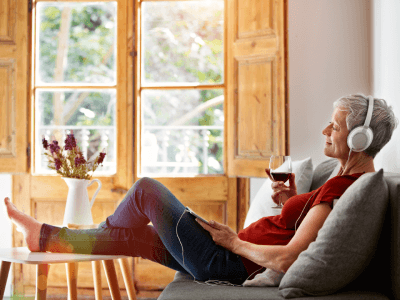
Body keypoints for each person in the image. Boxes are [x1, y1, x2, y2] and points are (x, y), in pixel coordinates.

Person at [4, 94, 398, 285]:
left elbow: (289, 260)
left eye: (336, 126)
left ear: (361, 140)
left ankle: (57, 235)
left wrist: (232, 242)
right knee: (138, 239)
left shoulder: (346, 188)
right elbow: (300, 227)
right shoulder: (340, 180)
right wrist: (289, 197)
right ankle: (46, 237)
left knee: (145, 190)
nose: (326, 130)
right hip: (229, 259)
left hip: (226, 263)